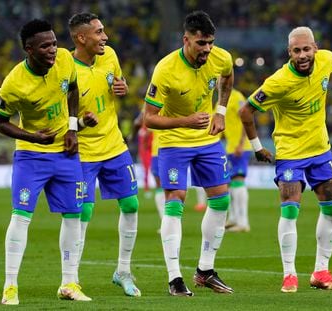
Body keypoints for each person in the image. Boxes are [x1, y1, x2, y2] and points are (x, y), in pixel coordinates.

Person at [240, 26, 332, 293]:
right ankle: (289, 274)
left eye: (306, 49)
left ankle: (321, 272)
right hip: (291, 152)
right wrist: (257, 147)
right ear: (288, 52)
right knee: (290, 208)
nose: (302, 55)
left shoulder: (326, 59)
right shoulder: (278, 82)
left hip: (320, 149)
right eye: (296, 51)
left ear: (315, 47)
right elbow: (246, 112)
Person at [0, 19, 91, 305]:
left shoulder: (64, 60)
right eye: (45, 46)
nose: (53, 50)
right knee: (21, 215)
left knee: (74, 214)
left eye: (54, 43)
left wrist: (73, 127)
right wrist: (32, 137)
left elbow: (73, 89)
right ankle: (10, 286)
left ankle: (69, 283)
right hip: (31, 155)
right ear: (29, 49)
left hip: (64, 151)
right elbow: (1, 123)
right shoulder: (14, 83)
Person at [144, 10, 234, 296]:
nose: (207, 49)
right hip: (173, 141)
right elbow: (149, 118)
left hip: (206, 140)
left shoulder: (221, 57)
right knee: (176, 201)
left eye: (210, 42)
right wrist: (185, 121)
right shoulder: (165, 69)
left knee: (221, 199)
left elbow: (228, 78)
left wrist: (220, 111)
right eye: (201, 43)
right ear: (186, 40)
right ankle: (174, 278)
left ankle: (205, 271)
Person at [68, 13, 141, 297]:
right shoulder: (66, 68)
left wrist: (121, 88)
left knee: (132, 204)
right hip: (83, 151)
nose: (105, 37)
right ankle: (71, 277)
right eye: (98, 32)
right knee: (83, 210)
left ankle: (123, 270)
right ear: (81, 37)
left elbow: (117, 84)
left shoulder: (109, 55)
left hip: (114, 146)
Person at [223, 88, 251, 232]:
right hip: (229, 148)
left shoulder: (237, 96)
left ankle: (243, 223)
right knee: (230, 184)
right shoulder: (221, 99)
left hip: (240, 147)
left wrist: (241, 143)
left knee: (238, 181)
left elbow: (246, 117)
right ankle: (234, 219)